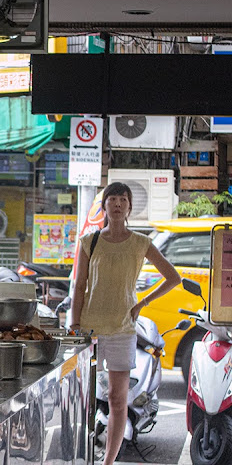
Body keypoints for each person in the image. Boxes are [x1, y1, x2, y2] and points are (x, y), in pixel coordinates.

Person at [70, 182, 180, 465]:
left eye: (123, 199)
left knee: (118, 400)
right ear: (104, 206)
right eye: (112, 199)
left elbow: (173, 277)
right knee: (82, 402)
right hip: (89, 332)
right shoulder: (89, 242)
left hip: (122, 331)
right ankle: (80, 457)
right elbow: (79, 285)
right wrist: (74, 325)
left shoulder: (141, 243)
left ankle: (108, 461)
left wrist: (142, 303)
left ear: (129, 207)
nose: (117, 204)